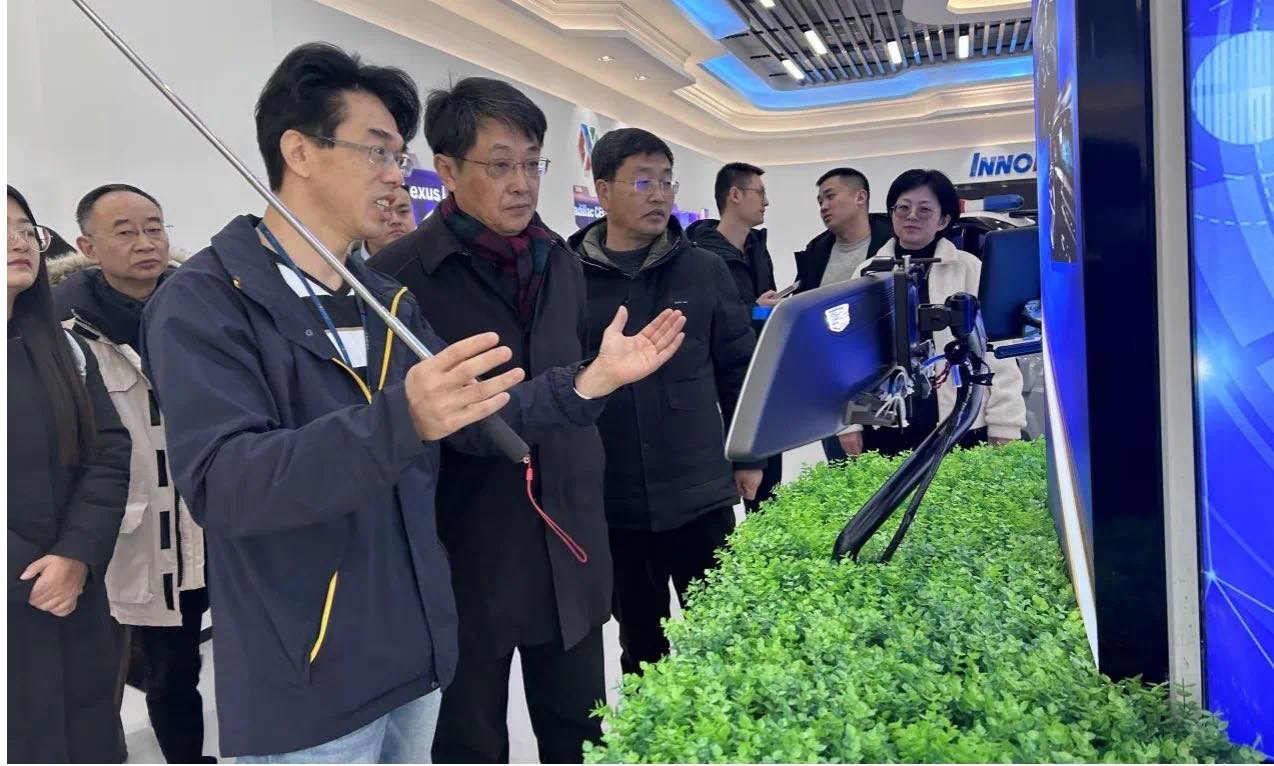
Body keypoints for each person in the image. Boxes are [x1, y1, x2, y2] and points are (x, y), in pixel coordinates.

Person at [140, 44, 684, 763]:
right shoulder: (205, 302)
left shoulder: (383, 300)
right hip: (310, 679)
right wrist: (404, 418)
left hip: (416, 658)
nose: (397, 175)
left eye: (398, 155)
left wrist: (590, 381)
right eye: (376, 152)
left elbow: (475, 420)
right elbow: (226, 483)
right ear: (299, 152)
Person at [372, 76, 684, 764]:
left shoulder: (560, 261)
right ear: (446, 169)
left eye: (532, 163)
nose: (521, 184)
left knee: (578, 733)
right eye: (499, 164)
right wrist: (587, 384)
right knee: (469, 744)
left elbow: (576, 387)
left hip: (569, 543)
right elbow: (446, 422)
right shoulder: (399, 278)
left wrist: (598, 390)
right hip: (467, 554)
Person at [569, 128, 761, 676]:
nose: (659, 194)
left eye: (667, 181)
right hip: (615, 499)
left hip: (699, 492)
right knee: (641, 647)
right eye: (642, 182)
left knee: (721, 642)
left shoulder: (703, 269)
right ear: (603, 191)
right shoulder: (568, 275)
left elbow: (739, 368)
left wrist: (750, 456)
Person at [53, 183, 212, 764]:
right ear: (87, 247)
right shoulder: (64, 333)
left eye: (154, 227)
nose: (146, 242)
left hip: (219, 514)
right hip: (140, 531)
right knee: (167, 670)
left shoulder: (206, 308)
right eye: (125, 232)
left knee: (250, 651)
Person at [8, 184, 132, 763]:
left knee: (84, 734)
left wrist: (76, 554)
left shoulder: (63, 347)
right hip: (22, 591)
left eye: (25, 229)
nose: (18, 242)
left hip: (71, 592)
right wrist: (25, 573)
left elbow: (108, 451)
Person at [838, 169, 1026, 458]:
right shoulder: (867, 272)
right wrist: (849, 424)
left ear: (944, 220)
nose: (911, 216)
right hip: (886, 423)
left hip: (959, 422)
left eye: (924, 209)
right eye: (903, 207)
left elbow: (997, 350)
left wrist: (1005, 423)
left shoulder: (968, 268)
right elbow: (852, 353)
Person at [687, 161, 782, 512]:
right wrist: (755, 311)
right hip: (722, 392)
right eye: (760, 193)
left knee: (769, 499)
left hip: (762, 379)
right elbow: (704, 324)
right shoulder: (699, 255)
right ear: (735, 195)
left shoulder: (757, 248)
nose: (766, 202)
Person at [794, 167, 894, 461]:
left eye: (830, 196)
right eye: (819, 201)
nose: (823, 207)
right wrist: (763, 311)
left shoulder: (891, 245)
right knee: (845, 477)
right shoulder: (816, 252)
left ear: (860, 197)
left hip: (888, 387)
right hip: (834, 392)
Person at [359, 184, 416, 260]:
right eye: (384, 211)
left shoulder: (430, 261)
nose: (395, 220)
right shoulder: (345, 265)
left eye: (403, 211)